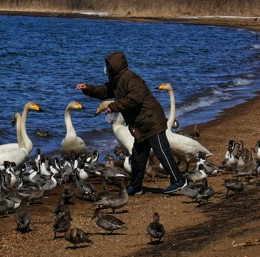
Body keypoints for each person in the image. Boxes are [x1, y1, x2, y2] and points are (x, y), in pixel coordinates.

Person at [76, 51, 186, 195]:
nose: (106, 69)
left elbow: (136, 98)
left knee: (161, 151)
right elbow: (103, 91)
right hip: (141, 124)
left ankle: (178, 180)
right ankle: (136, 186)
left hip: (152, 120)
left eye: (108, 66)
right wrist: (87, 88)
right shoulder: (117, 81)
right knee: (138, 156)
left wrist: (113, 106)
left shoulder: (130, 78)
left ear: (115, 66)